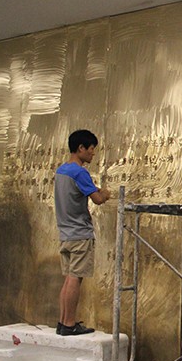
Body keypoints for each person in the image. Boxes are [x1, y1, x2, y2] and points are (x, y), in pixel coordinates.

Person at [54, 129, 110, 336]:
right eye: (91, 148)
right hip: (80, 233)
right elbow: (97, 199)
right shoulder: (79, 172)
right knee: (75, 278)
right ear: (81, 148)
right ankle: (69, 324)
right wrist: (105, 193)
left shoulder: (61, 171)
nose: (93, 153)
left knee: (69, 277)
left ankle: (63, 321)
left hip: (65, 233)